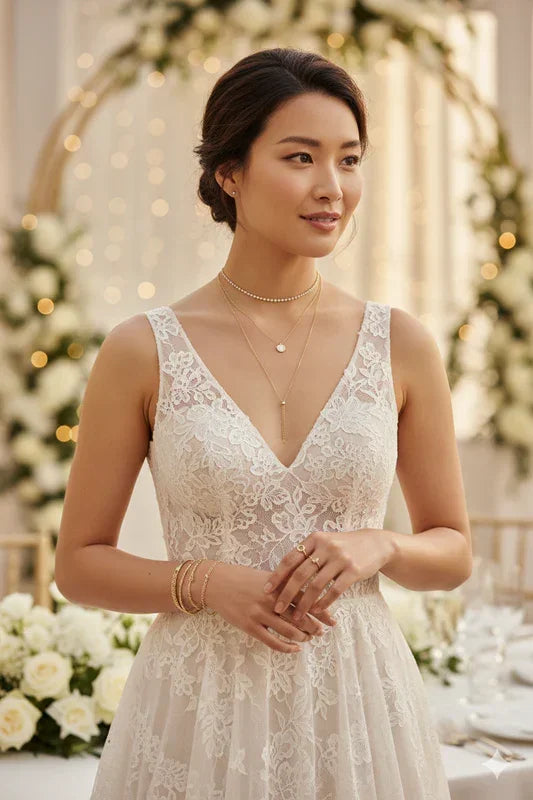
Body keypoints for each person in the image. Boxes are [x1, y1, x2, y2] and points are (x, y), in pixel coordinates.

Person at [55, 47, 472, 799]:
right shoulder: (141, 350)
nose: (331, 188)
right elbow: (78, 564)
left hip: (359, 708)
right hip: (196, 708)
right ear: (229, 174)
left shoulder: (400, 343)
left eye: (349, 160)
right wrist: (203, 581)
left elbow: (451, 551)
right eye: (300, 157)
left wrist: (381, 542)